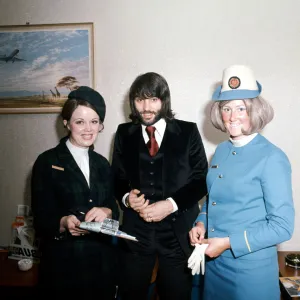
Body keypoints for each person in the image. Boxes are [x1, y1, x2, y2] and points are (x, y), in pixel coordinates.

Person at [189, 65, 295, 300]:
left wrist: (227, 243)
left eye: (241, 108)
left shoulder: (272, 157)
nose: (233, 116)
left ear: (255, 111)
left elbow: (282, 226)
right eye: (227, 108)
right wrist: (200, 223)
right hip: (215, 268)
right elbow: (213, 199)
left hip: (250, 275)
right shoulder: (221, 151)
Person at [112, 72, 208, 300]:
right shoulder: (123, 133)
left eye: (153, 99)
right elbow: (117, 177)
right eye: (140, 99)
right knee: (130, 293)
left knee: (176, 294)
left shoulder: (188, 132)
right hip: (136, 232)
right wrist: (127, 198)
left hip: (178, 232)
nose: (146, 107)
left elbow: (201, 179)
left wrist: (171, 204)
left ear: (164, 101)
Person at [31, 86, 119, 298]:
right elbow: (40, 219)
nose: (88, 129)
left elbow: (114, 210)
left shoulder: (102, 164)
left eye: (94, 121)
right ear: (66, 123)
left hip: (101, 266)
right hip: (63, 269)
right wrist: (63, 222)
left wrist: (107, 212)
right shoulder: (47, 162)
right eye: (80, 121)